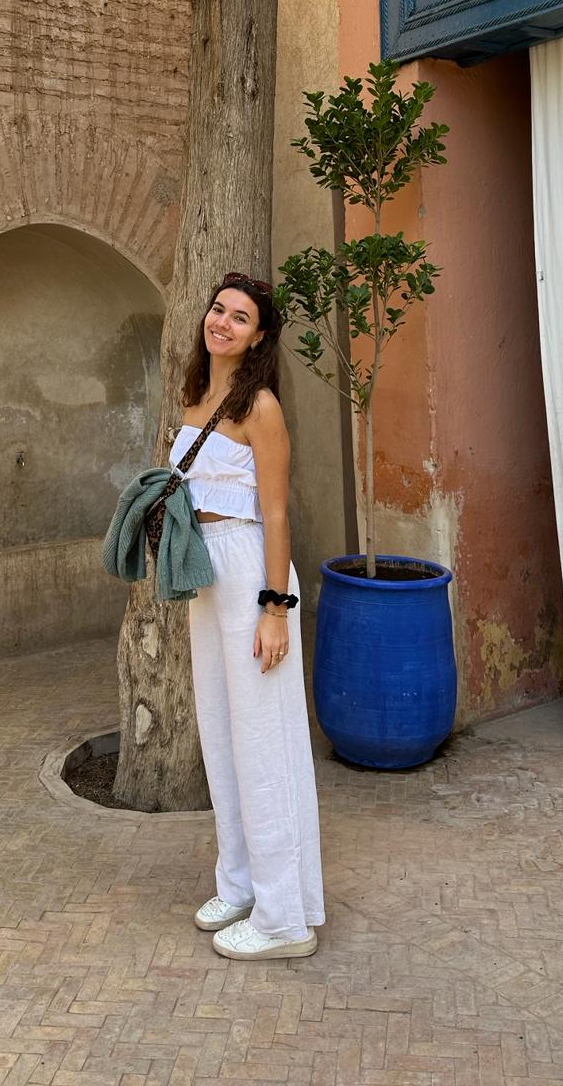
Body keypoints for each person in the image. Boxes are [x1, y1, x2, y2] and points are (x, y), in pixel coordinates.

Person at [169, 270, 325, 960]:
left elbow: (277, 514)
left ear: (259, 337)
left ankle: (285, 919)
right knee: (222, 733)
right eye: (218, 310)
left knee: (264, 740)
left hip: (248, 570)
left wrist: (276, 609)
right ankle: (239, 883)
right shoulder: (196, 396)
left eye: (240, 317)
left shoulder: (260, 406)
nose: (222, 322)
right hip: (205, 575)